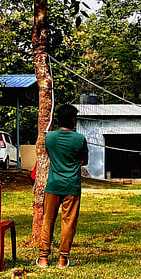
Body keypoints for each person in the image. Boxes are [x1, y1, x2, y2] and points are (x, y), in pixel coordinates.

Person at [38, 105, 88, 268]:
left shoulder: (49, 137)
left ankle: (44, 258)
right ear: (73, 121)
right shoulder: (80, 139)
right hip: (72, 186)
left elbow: (49, 154)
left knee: (48, 220)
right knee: (68, 222)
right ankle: (63, 259)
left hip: (53, 185)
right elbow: (84, 161)